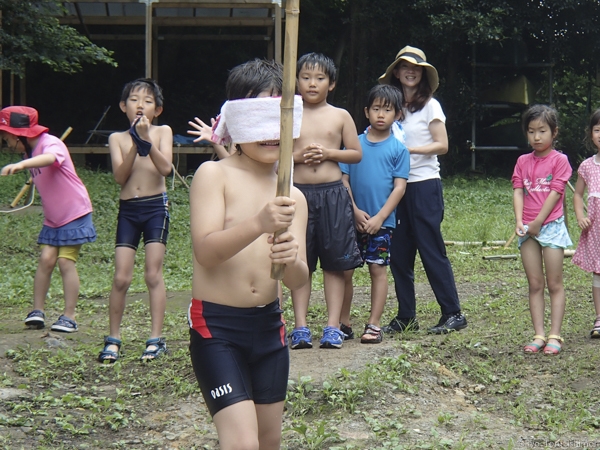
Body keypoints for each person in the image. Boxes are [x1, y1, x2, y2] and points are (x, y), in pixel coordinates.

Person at [187, 58, 308, 450]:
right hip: (217, 328)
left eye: (279, 115)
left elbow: (298, 279)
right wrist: (258, 223)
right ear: (235, 119)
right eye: (258, 114)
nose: (271, 131)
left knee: (268, 440)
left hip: (269, 330)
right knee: (242, 443)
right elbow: (206, 252)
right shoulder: (214, 176)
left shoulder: (294, 195)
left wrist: (291, 259)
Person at [379, 45, 467, 334]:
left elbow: (442, 145)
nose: (410, 71)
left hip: (424, 184)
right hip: (396, 188)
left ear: (423, 74)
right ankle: (407, 315)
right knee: (400, 255)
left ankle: (453, 313)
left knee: (431, 250)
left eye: (416, 68)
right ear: (396, 72)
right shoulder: (389, 106)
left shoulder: (431, 105)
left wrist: (409, 150)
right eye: (405, 66)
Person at [288, 52, 363, 350]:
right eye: (305, 77)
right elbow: (275, 154)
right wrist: (299, 156)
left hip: (333, 193)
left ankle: (333, 326)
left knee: (334, 263)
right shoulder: (288, 113)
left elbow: (355, 153)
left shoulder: (340, 115)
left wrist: (329, 153)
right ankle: (300, 326)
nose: (312, 83)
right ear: (296, 81)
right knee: (299, 261)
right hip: (298, 196)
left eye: (319, 78)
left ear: (331, 84)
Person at [0, 106, 97, 332]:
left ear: (18, 135)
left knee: (65, 262)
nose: (6, 144)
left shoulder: (49, 143)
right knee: (46, 259)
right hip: (54, 218)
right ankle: (37, 311)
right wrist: (26, 160)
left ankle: (69, 316)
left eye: (6, 138)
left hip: (75, 213)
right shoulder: (29, 152)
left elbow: (51, 157)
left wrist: (22, 165)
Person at [97, 78, 173, 363]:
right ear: (122, 106)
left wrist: (146, 141)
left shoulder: (163, 131)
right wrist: (134, 141)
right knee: (121, 277)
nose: (141, 105)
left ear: (158, 109)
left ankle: (155, 338)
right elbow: (120, 177)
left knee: (152, 274)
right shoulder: (117, 138)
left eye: (148, 101)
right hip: (128, 209)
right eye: (134, 99)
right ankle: (113, 338)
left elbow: (165, 168)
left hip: (155, 208)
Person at [339, 85, 410, 344]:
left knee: (377, 269)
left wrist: (380, 218)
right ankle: (343, 322)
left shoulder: (399, 149)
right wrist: (355, 211)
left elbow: (399, 187)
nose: (381, 114)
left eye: (388, 109)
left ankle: (374, 324)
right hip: (351, 221)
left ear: (398, 114)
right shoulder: (353, 145)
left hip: (383, 223)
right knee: (345, 271)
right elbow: (343, 180)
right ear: (367, 112)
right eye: (376, 108)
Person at [512, 104, 572, 355]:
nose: (536, 137)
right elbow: (517, 190)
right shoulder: (522, 161)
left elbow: (556, 192)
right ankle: (538, 334)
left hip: (551, 227)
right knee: (535, 283)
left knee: (554, 283)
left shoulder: (560, 160)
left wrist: (538, 222)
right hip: (527, 231)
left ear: (554, 132)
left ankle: (555, 335)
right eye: (531, 131)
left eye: (542, 131)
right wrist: (519, 221)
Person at [572, 109, 600, 338]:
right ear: (590, 133)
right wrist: (581, 216)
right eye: (597, 129)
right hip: (596, 231)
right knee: (598, 274)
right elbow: (578, 194)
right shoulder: (588, 166)